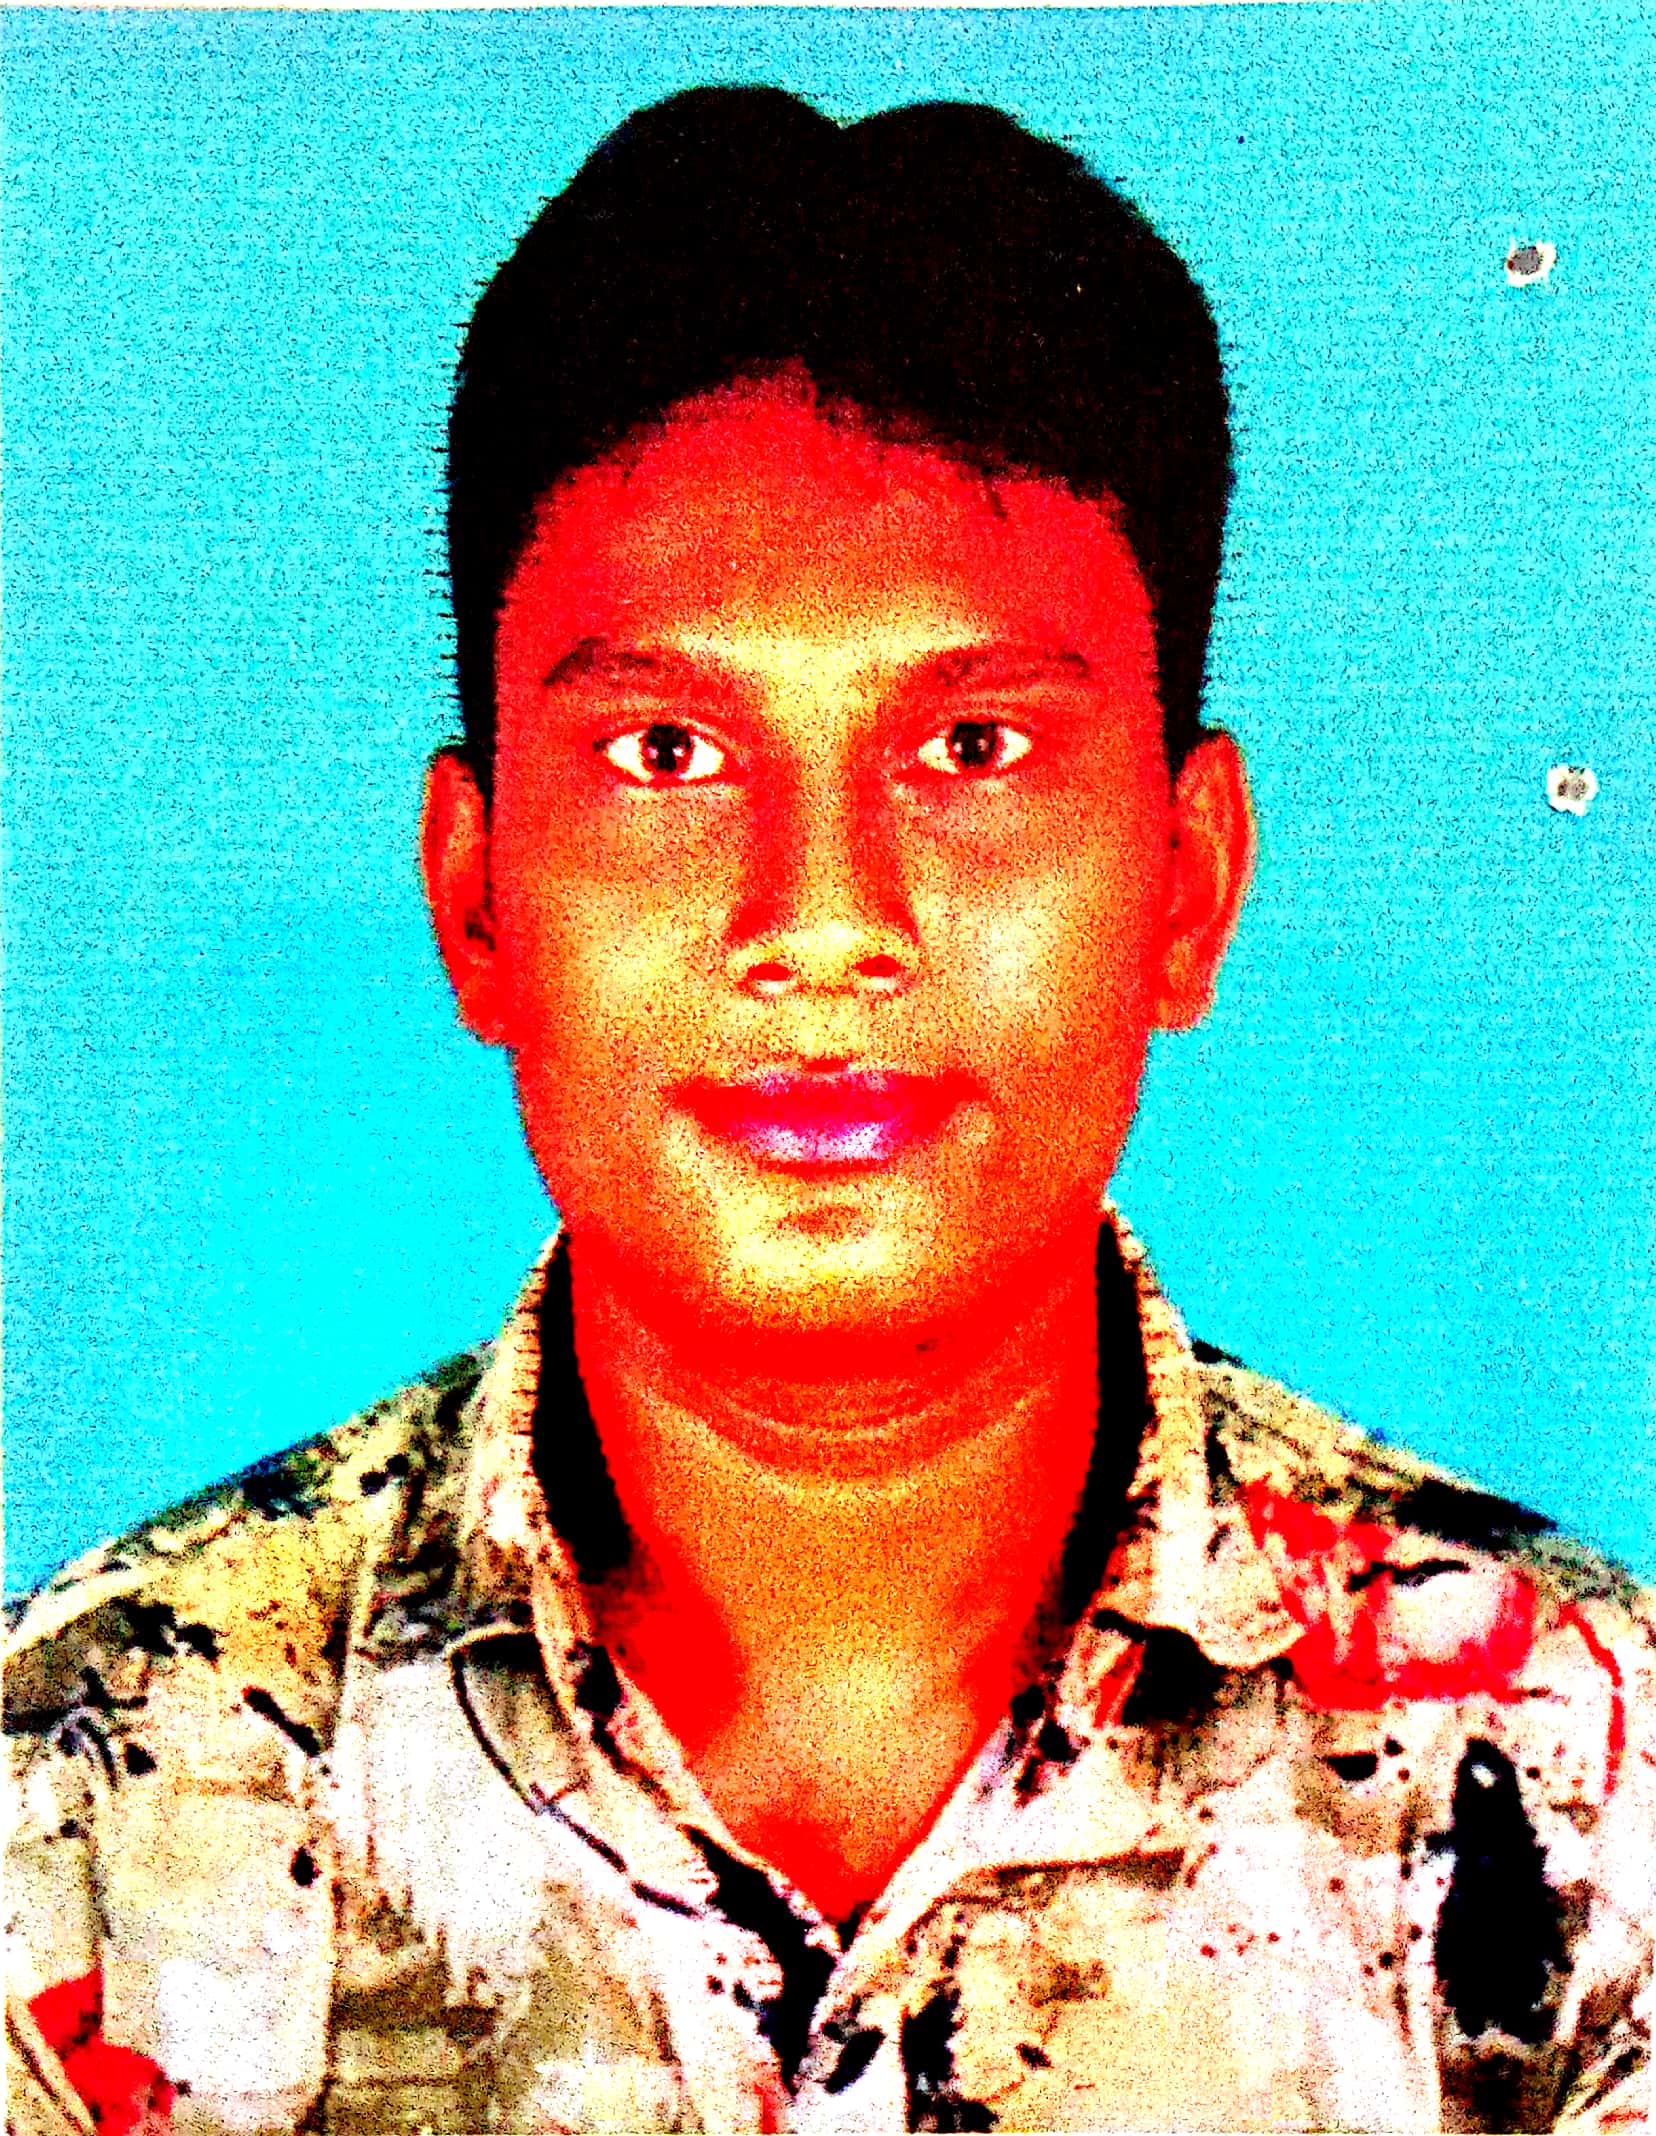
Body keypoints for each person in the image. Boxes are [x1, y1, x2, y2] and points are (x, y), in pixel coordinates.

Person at [5, 85, 1650, 2136]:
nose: (821, 921)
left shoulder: (1588, 1797)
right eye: (669, 754)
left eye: (971, 747)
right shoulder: (75, 1813)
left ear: (1188, 883)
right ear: (476, 899)